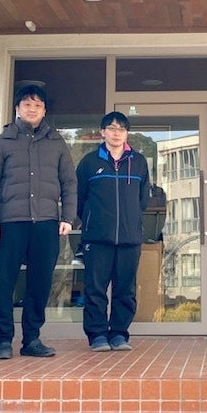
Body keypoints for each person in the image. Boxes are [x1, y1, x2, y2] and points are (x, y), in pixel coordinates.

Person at [0, 84, 77, 360]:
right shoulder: (2, 142)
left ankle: (32, 339)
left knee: (39, 283)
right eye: (27, 104)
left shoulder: (56, 142)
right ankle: (4, 341)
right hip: (10, 223)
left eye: (37, 105)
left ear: (44, 111)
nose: (32, 109)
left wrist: (68, 217)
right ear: (17, 109)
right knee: (4, 282)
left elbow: (69, 182)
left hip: (46, 223)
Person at [76, 111, 149, 352]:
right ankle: (97, 334)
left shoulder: (139, 162)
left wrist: (130, 220)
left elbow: (142, 199)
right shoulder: (89, 162)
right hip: (97, 237)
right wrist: (92, 221)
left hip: (130, 237)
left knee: (125, 290)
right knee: (95, 289)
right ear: (102, 132)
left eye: (121, 129)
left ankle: (119, 334)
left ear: (127, 133)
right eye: (111, 128)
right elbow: (79, 198)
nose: (116, 133)